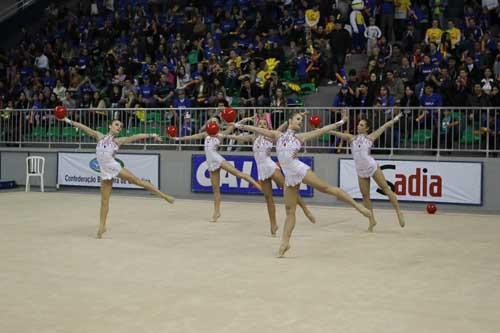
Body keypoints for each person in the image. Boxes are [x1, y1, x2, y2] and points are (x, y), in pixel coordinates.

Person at [235, 112, 371, 257]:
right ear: (289, 121)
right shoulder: (277, 135)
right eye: (298, 119)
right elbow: (258, 130)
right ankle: (285, 243)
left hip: (298, 168)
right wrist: (239, 125)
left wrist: (341, 122)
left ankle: (358, 206)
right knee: (289, 211)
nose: (301, 122)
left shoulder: (300, 137)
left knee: (325, 188)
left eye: (301, 120)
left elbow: (322, 130)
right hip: (289, 175)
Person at [58, 117, 175, 238]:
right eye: (116, 124)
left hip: (113, 166)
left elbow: (136, 136)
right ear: (110, 126)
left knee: (137, 181)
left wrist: (152, 134)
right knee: (104, 201)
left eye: (120, 126)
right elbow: (83, 127)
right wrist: (67, 120)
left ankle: (163, 195)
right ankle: (102, 226)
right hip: (104, 171)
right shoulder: (99, 136)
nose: (119, 127)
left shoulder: (118, 141)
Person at [223, 116, 316, 236]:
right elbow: (233, 136)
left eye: (264, 124)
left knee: (287, 187)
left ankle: (305, 209)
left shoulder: (270, 137)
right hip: (261, 169)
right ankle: (273, 224)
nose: (261, 125)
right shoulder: (252, 137)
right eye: (260, 124)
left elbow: (281, 129)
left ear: (268, 127)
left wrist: (289, 120)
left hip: (270, 166)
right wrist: (224, 134)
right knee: (268, 198)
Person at [173, 118, 262, 222]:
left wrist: (245, 119)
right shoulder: (205, 134)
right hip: (210, 162)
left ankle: (258, 185)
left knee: (238, 174)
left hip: (217, 158)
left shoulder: (221, 134)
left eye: (215, 122)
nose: (212, 122)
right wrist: (177, 139)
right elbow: (190, 137)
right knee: (215, 190)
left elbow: (234, 125)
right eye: (211, 121)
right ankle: (216, 212)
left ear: (218, 125)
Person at [328, 114, 405, 231]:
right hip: (360, 170)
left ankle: (399, 211)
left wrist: (395, 119)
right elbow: (336, 133)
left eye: (361, 125)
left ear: (367, 128)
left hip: (372, 167)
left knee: (385, 188)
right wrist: (323, 130)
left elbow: (384, 126)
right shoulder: (351, 138)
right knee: (365, 196)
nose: (359, 126)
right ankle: (372, 220)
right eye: (359, 124)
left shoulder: (370, 137)